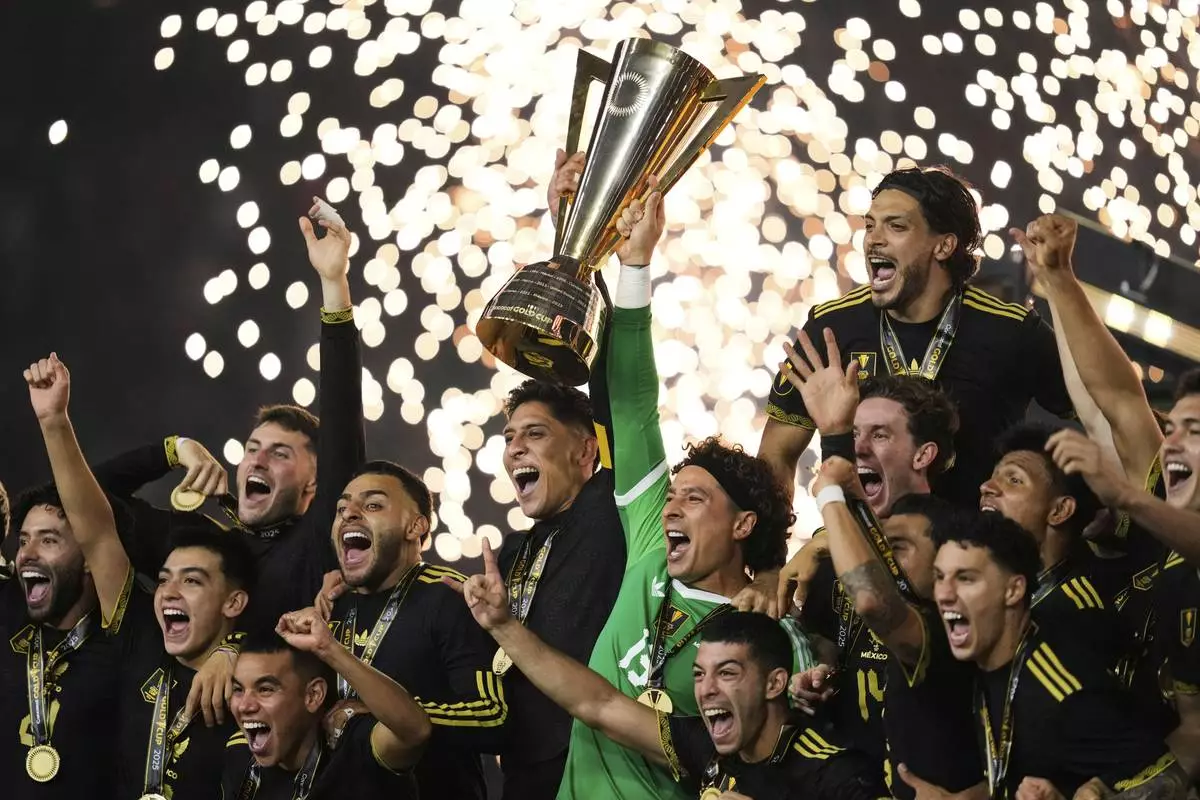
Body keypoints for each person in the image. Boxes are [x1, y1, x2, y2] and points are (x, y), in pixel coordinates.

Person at [510, 183, 806, 800]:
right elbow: (633, 406)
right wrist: (634, 263)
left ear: (744, 525)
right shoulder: (649, 543)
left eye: (695, 499)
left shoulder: (762, 635)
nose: (671, 505)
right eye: (673, 494)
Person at [87, 197, 364, 634]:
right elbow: (84, 497)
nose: (257, 460)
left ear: (315, 481)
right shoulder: (200, 547)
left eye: (279, 454)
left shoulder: (318, 543)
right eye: (253, 449)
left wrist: (334, 283)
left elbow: (344, 415)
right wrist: (174, 451)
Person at [457, 541, 883, 800]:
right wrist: (503, 626)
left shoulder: (833, 771)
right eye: (699, 674)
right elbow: (597, 703)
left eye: (727, 673)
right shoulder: (706, 746)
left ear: (774, 682)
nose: (707, 690)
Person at [760, 166, 1073, 507]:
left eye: (896, 226)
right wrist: (769, 559)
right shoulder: (832, 327)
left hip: (969, 552)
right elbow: (776, 457)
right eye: (870, 225)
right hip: (859, 542)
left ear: (944, 246)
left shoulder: (1011, 331)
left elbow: (1105, 409)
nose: (873, 239)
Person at [1012, 214, 1200, 776]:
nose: (1174, 442)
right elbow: (1105, 399)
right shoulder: (1154, 500)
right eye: (1175, 429)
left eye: (1196, 432)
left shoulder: (1143, 503)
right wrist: (1055, 284)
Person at [24, 351, 256, 799]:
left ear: (234, 602)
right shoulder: (140, 641)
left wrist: (234, 651)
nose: (168, 591)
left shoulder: (256, 686)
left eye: (192, 580)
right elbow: (95, 530)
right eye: (165, 577)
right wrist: (54, 421)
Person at [779, 328, 981, 797]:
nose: (861, 447)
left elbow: (878, 602)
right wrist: (814, 676)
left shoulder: (956, 540)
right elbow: (831, 640)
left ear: (924, 454)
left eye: (880, 434)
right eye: (854, 436)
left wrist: (831, 493)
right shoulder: (832, 544)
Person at [933, 511, 1187, 799]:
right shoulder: (986, 658)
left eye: (965, 579)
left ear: (1013, 590)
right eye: (939, 576)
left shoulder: (1064, 694)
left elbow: (1170, 779)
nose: (943, 593)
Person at [325, 459, 507, 799]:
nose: (349, 514)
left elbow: (494, 717)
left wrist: (390, 719)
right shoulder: (330, 605)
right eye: (341, 508)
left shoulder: (449, 596)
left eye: (373, 504)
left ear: (416, 526)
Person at [491, 379, 625, 798]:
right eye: (509, 437)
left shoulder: (609, 509)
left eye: (535, 433)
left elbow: (622, 410)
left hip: (600, 759)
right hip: (523, 771)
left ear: (587, 450)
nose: (514, 448)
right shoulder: (513, 551)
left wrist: (591, 337)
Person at [222, 620, 429, 798]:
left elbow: (415, 731)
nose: (244, 706)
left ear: (313, 695)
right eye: (238, 689)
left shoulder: (354, 748)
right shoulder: (240, 753)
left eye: (265, 689)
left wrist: (327, 648)